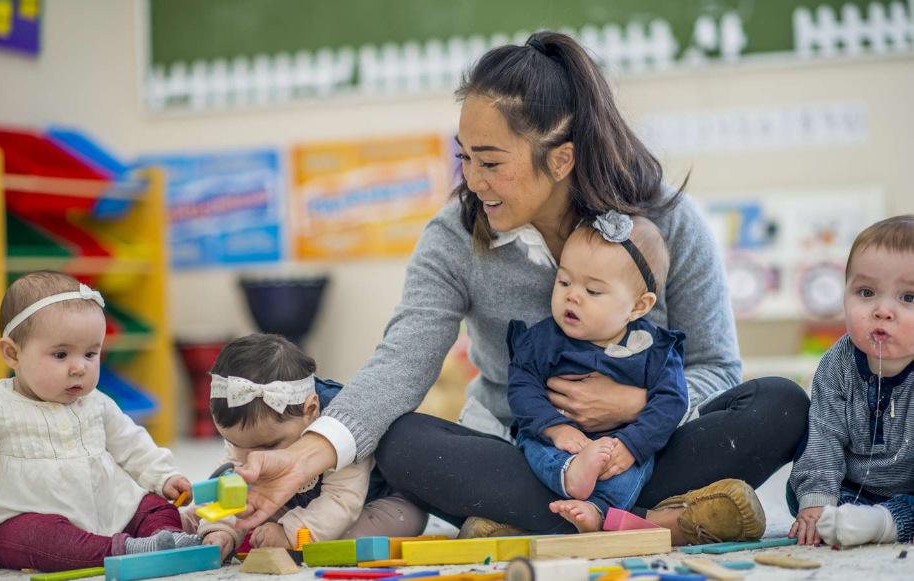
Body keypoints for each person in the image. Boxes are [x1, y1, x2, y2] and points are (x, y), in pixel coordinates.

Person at [232, 31, 809, 546]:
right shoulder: (454, 237)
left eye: (490, 163)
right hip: (523, 453)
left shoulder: (668, 222)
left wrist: (637, 412)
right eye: (465, 160)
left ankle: (539, 522)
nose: (473, 181)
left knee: (781, 404)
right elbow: (400, 363)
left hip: (648, 447)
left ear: (561, 159)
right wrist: (311, 453)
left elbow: (717, 367)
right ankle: (659, 522)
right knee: (403, 442)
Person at [0, 271, 200, 572]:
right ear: (13, 353)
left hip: (109, 507)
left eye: (91, 353)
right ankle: (125, 549)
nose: (80, 367)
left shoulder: (96, 404)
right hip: (33, 514)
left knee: (152, 505)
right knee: (28, 538)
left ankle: (162, 537)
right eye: (61, 354)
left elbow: (132, 445)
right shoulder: (2, 407)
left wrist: (164, 477)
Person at [510, 212, 688, 532]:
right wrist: (556, 429)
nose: (572, 295)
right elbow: (522, 388)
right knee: (531, 444)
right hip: (556, 439)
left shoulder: (655, 349)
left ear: (638, 306)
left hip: (620, 442)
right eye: (564, 281)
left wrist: (632, 444)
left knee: (633, 468)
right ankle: (570, 475)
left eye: (592, 291)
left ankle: (597, 512)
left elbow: (672, 401)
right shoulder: (542, 341)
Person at [192, 334, 427, 562]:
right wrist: (220, 529)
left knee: (376, 528)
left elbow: (342, 500)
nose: (252, 457)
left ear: (311, 411)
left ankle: (298, 537)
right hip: (293, 504)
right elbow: (233, 486)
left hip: (370, 502)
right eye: (235, 444)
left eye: (269, 445)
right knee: (223, 512)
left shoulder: (344, 425)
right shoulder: (251, 440)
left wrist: (289, 532)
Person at [788, 215, 914, 548]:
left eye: (909, 298)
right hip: (852, 487)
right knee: (803, 495)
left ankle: (885, 523)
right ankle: (852, 518)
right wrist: (817, 500)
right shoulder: (837, 364)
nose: (883, 310)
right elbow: (824, 436)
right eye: (866, 292)